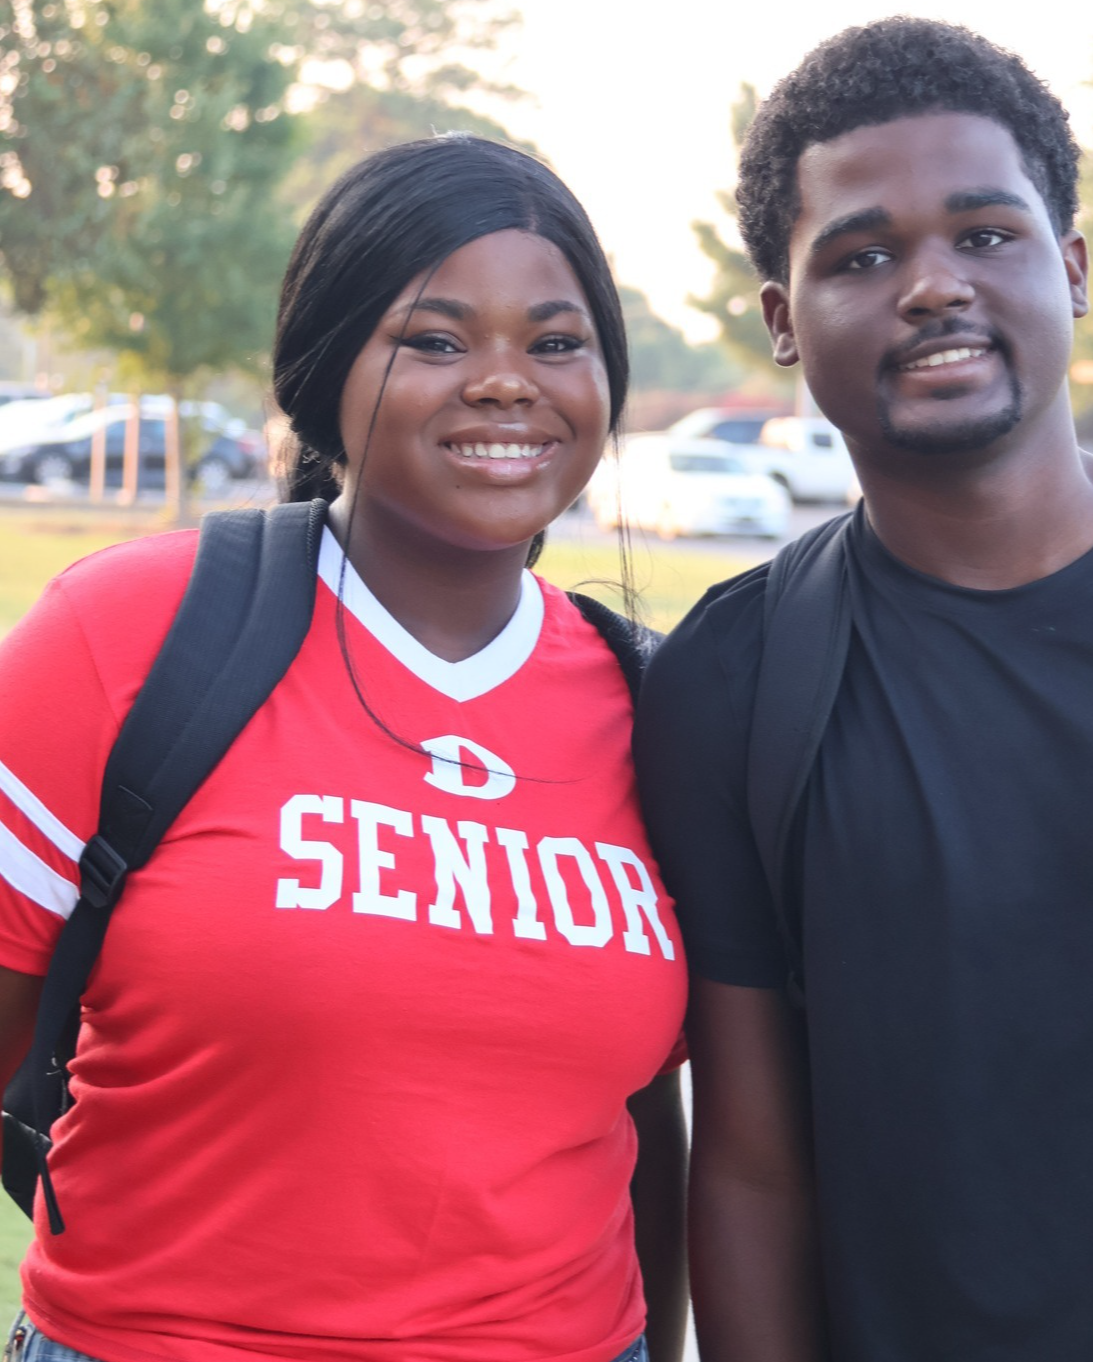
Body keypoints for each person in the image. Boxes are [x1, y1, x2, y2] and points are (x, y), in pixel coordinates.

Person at [633, 17, 1093, 1362]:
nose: (930, 287)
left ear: (1072, 269)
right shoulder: (732, 681)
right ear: (784, 321)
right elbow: (746, 1160)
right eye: (861, 254)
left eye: (984, 235)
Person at [0, 133, 687, 1362]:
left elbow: (658, 1123)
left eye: (556, 339)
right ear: (324, 372)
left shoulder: (665, 707)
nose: (503, 381)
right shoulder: (126, 635)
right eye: (434, 337)